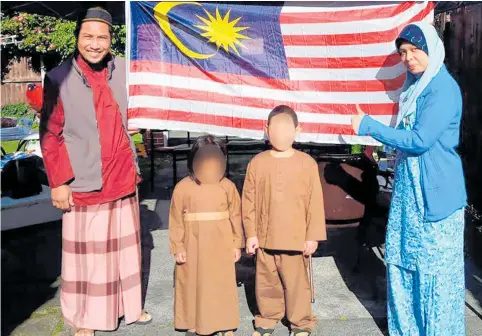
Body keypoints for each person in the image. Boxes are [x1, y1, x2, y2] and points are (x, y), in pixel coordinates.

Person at [40, 7, 151, 336]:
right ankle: (85, 318)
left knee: (124, 253)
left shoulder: (124, 71)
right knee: (88, 259)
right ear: (77, 39)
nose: (95, 43)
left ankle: (129, 308)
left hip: (122, 176)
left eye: (102, 37)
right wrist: (58, 182)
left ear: (110, 40)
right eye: (88, 36)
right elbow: (50, 133)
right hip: (85, 180)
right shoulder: (59, 78)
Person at [352, 22, 467, 336]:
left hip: (436, 197)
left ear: (432, 50)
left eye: (416, 50)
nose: (408, 57)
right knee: (403, 265)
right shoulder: (412, 88)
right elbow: (403, 137)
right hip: (408, 195)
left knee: (434, 276)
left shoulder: (442, 88)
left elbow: (420, 140)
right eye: (403, 52)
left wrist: (369, 126)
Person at [242, 105, 327, 336]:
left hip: (296, 239)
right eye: (275, 128)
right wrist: (250, 233)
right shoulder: (257, 163)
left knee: (297, 284)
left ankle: (301, 323)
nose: (280, 134)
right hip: (265, 236)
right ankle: (267, 318)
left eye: (286, 128)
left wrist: (312, 236)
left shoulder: (306, 163)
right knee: (266, 282)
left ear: (297, 130)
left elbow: (315, 202)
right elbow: (248, 201)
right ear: (266, 129)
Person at [169, 134, 244, 336]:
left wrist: (237, 243)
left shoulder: (227, 187)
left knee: (221, 282)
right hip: (193, 244)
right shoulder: (183, 187)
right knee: (193, 283)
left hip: (221, 244)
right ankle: (193, 321)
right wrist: (178, 246)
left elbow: (236, 215)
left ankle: (224, 322)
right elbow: (176, 219)